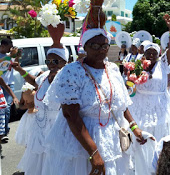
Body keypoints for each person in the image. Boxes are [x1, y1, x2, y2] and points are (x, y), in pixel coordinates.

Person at [43, 28, 146, 175]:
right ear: (84, 47)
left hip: (112, 136)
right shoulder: (72, 71)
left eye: (104, 46)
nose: (101, 50)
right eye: (94, 46)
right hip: (83, 140)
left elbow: (121, 103)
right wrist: (94, 152)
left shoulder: (113, 69)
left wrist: (134, 127)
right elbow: (70, 115)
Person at [12, 47, 69, 175]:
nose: (51, 64)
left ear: (64, 61)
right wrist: (20, 69)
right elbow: (34, 81)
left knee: (53, 164)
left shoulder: (66, 77)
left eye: (55, 61)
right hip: (40, 128)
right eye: (48, 61)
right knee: (38, 164)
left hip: (56, 128)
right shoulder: (45, 76)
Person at [129, 14, 170, 141]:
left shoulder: (163, 64)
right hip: (140, 106)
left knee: (160, 135)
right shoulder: (137, 65)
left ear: (158, 54)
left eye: (154, 52)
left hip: (159, 106)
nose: (151, 54)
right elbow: (130, 84)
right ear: (143, 54)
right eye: (148, 52)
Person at [0, 38, 16, 141]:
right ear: (3, 46)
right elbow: (3, 64)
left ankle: (4, 131)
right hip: (1, 84)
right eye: (10, 46)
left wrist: (16, 56)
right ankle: (3, 130)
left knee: (7, 108)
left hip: (10, 84)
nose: (11, 49)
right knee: (2, 109)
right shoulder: (5, 56)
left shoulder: (11, 56)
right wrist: (10, 56)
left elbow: (15, 64)